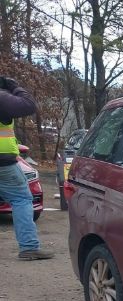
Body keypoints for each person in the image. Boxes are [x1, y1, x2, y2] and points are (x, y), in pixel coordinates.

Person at [0, 75, 53, 260]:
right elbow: (28, 105)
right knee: (21, 199)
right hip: (3, 163)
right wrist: (15, 86)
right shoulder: (2, 97)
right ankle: (29, 247)